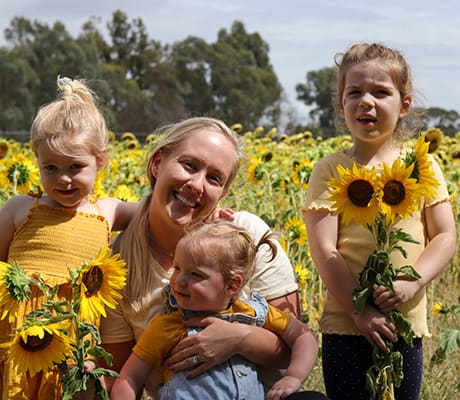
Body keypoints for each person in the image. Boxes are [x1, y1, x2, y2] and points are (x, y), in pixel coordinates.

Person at [100, 117, 327, 400]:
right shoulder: (116, 268)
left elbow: (292, 346)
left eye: (213, 178)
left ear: (223, 192)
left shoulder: (248, 236)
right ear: (157, 162)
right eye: (189, 165)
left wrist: (238, 338)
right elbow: (119, 377)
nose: (196, 185)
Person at [303, 42, 457, 400]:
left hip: (403, 324)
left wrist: (411, 283)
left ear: (404, 105)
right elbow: (325, 251)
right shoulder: (330, 170)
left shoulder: (422, 165)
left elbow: (445, 236)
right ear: (341, 105)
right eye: (354, 92)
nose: (366, 101)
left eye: (380, 92)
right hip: (346, 325)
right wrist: (360, 312)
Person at [0, 77, 137, 400]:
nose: (63, 179)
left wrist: (209, 211)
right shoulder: (21, 208)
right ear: (37, 162)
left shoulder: (108, 211)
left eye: (76, 167)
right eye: (50, 168)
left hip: (77, 338)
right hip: (19, 336)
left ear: (100, 160)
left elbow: (156, 210)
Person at [111, 220, 318, 400]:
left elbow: (303, 337)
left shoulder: (253, 313)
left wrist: (293, 376)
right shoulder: (168, 327)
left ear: (232, 285)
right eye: (178, 268)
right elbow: (129, 378)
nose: (179, 280)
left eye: (195, 274)